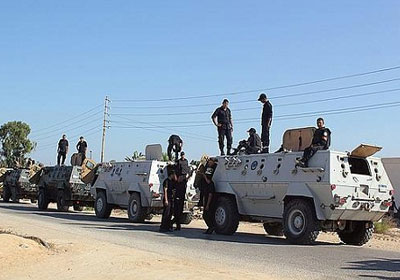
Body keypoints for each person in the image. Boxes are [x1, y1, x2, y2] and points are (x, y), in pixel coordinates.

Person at [172, 151, 189, 231]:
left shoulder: (186, 161)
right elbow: (175, 171)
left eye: (183, 155)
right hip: (178, 184)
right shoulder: (178, 162)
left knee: (179, 209)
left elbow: (187, 171)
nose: (182, 156)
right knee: (177, 209)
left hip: (182, 184)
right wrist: (176, 177)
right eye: (181, 155)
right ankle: (175, 224)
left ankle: (175, 224)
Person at [202, 158, 218, 234]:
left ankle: (211, 227)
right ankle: (210, 228)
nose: (209, 163)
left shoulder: (211, 184)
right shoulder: (207, 185)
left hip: (210, 201)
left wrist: (207, 204)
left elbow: (210, 194)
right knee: (205, 215)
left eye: (210, 162)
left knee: (207, 215)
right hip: (207, 199)